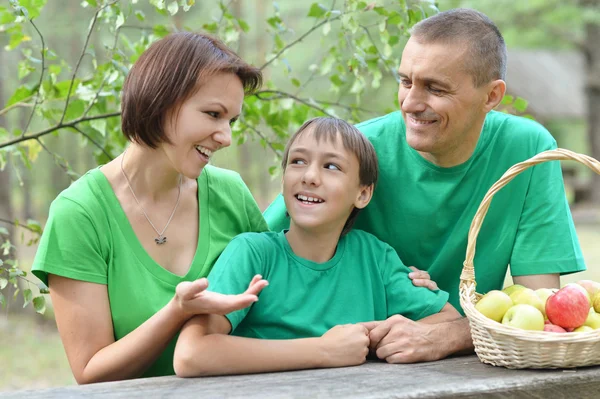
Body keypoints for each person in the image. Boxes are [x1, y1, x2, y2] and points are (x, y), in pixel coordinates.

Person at [263, 9, 586, 363]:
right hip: (346, 358)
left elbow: (538, 303)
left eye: (435, 88)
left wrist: (447, 336)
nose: (411, 103)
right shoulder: (356, 151)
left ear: (491, 96)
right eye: (405, 81)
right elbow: (261, 248)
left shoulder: (528, 150)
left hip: (464, 365)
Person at [31, 32, 271, 383]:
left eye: (231, 121)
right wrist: (176, 312)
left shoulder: (232, 194)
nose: (226, 136)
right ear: (161, 102)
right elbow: (90, 371)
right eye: (213, 114)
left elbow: (280, 302)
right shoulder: (79, 214)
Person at [173, 117, 461, 377]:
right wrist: (324, 350)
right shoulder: (252, 254)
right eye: (298, 161)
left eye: (331, 166)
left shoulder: (374, 257)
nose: (309, 176)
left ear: (362, 193)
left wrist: (390, 332)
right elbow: (190, 355)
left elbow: (448, 319)